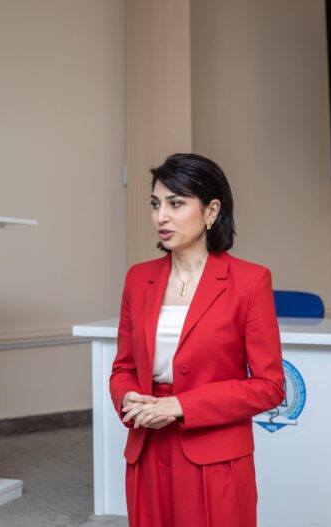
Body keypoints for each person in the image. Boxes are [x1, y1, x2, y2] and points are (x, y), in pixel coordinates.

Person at [109, 153, 285, 527]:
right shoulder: (138, 279)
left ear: (211, 211)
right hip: (148, 444)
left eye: (175, 204)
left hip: (215, 454)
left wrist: (181, 405)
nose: (161, 216)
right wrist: (127, 398)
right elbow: (123, 368)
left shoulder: (250, 281)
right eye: (155, 204)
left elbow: (269, 386)